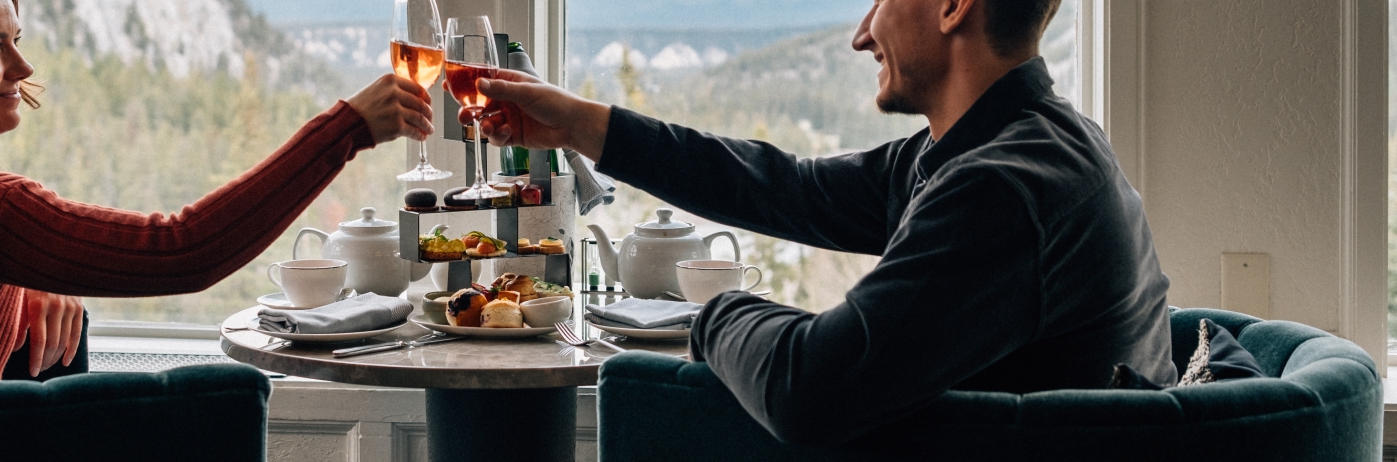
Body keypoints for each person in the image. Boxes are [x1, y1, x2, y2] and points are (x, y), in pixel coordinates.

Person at [470, 0, 1173, 444]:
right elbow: (786, 188)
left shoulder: (1004, 188)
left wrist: (716, 311)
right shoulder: (1016, 139)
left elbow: (807, 390)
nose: (862, 34)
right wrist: (583, 125)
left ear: (955, 7)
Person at [0, 0, 434, 390]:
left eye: (18, 40)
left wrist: (20, 287)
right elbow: (181, 250)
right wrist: (345, 131)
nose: (22, 68)